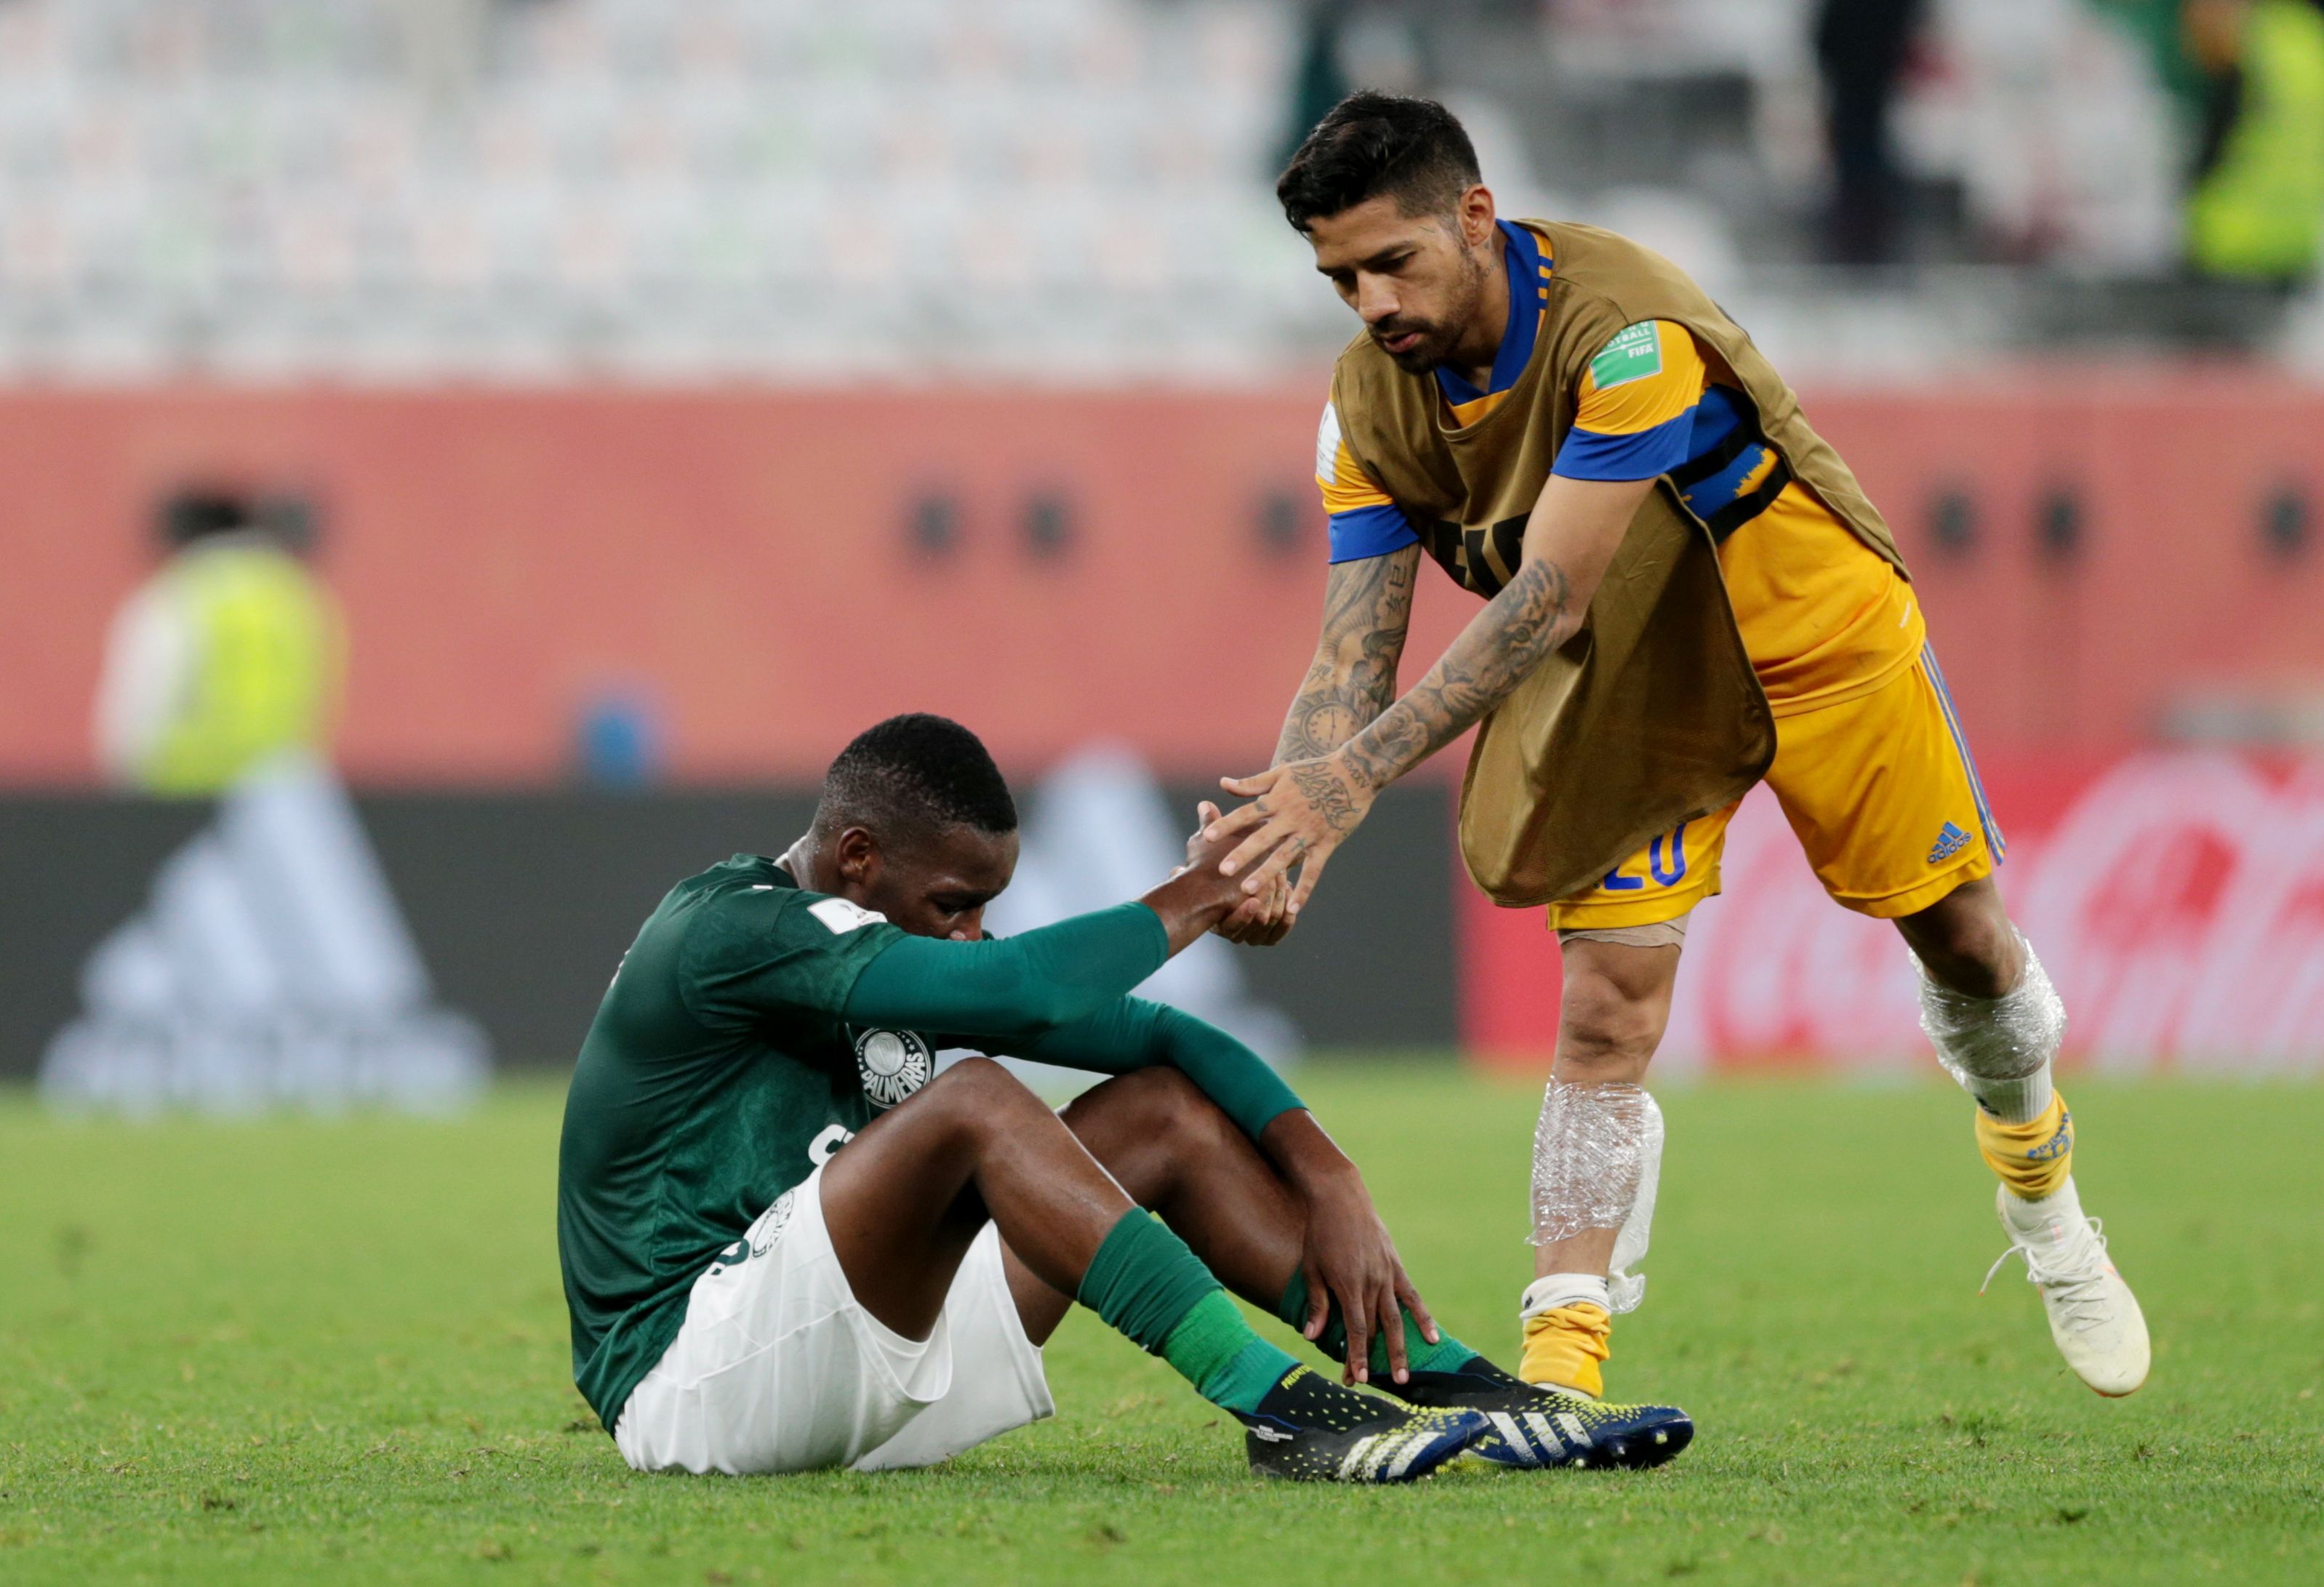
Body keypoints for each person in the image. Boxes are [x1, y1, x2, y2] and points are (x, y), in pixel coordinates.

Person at [1202, 94, 2149, 1405]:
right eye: (1339, 277)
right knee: (1602, 1012)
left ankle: (2043, 1192)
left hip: (1813, 643)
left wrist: (1353, 776)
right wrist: (1281, 816)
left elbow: (1545, 600)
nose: (1369, 301)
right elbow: (1352, 653)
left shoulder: (1629, 333)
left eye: (1391, 262)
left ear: (1476, 215)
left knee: (1969, 943)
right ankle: (1560, 1379)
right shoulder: (1365, 405)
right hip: (1640, 686)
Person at [556, 714, 1693, 1482]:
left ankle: (1455, 1383)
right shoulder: (726, 931)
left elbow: (1158, 1033)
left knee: (1157, 1110)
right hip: (693, 1379)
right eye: (954, 903)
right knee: (976, 1100)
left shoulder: (870, 933)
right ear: (857, 855)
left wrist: (1327, 1169)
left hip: (846, 1349)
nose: (970, 930)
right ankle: (1278, 1407)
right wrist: (1205, 890)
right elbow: (1024, 992)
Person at [93, 489, 343, 795]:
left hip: (180, 794)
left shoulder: (179, 593)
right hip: (276, 792)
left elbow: (136, 706)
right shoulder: (296, 597)